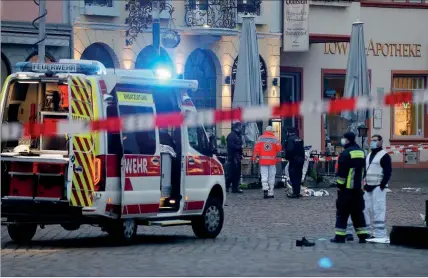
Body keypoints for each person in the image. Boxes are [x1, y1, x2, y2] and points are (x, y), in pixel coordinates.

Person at [345, 134, 392, 243]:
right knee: (364, 209)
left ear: (381, 142)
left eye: (375, 140)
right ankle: (366, 232)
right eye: (372, 140)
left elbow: (388, 171)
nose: (373, 142)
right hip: (368, 187)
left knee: (379, 209)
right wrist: (364, 184)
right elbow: (365, 170)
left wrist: (382, 184)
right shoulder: (369, 154)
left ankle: (379, 234)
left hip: (378, 187)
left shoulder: (384, 155)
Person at [331, 131, 370, 243]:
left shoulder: (345, 154)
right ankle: (363, 236)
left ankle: (339, 236)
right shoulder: (361, 152)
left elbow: (342, 174)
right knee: (357, 213)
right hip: (358, 189)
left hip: (346, 190)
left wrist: (339, 186)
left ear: (347, 140)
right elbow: (364, 171)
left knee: (342, 213)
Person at [253, 126, 282, 198]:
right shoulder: (275, 139)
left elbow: (256, 149)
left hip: (263, 161)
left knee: (264, 175)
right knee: (272, 176)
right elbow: (279, 149)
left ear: (265, 130)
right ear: (272, 131)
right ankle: (271, 192)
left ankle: (265, 190)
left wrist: (255, 157)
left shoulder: (260, 138)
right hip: (272, 161)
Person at [284, 128, 305, 198]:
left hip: (294, 160)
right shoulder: (299, 139)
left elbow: (289, 150)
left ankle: (295, 192)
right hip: (300, 160)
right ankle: (298, 192)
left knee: (293, 176)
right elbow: (302, 150)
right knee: (299, 176)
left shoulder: (290, 139)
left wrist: (287, 157)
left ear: (289, 133)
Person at [226, 121, 244, 193]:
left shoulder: (237, 135)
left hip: (237, 156)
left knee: (236, 173)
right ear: (238, 127)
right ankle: (228, 186)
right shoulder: (232, 135)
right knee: (232, 173)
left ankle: (235, 187)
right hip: (233, 156)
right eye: (241, 127)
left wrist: (241, 152)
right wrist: (240, 147)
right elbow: (231, 146)